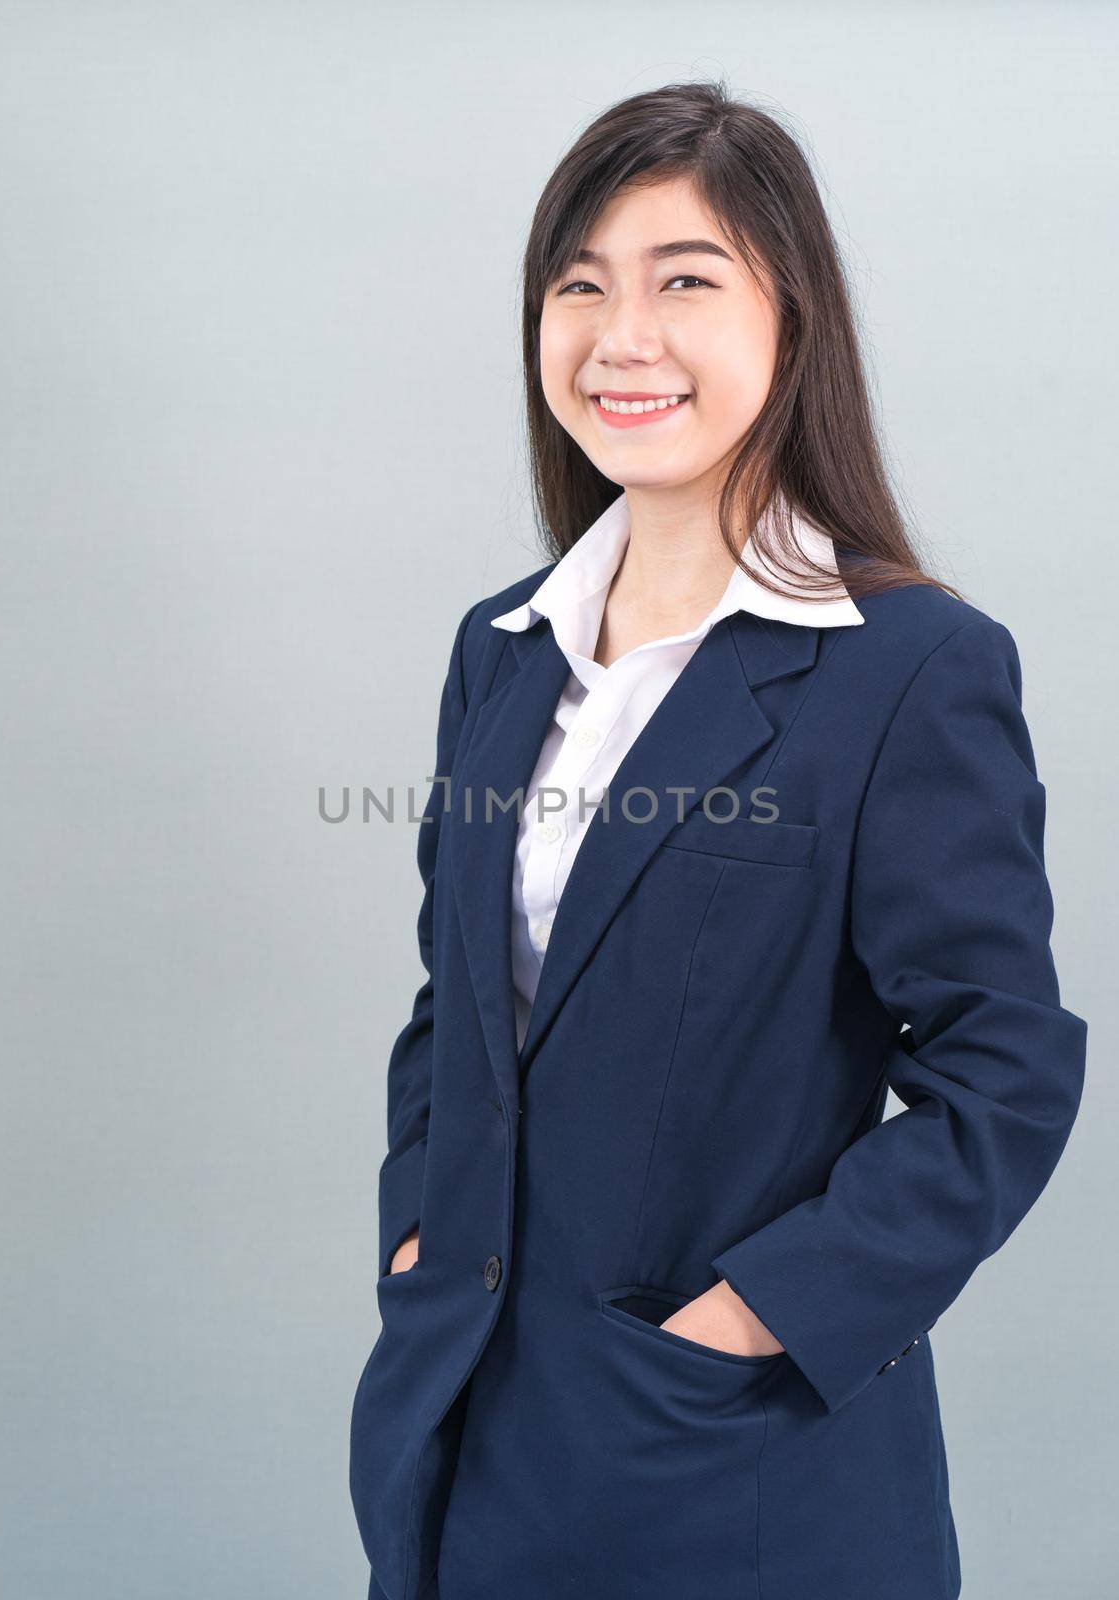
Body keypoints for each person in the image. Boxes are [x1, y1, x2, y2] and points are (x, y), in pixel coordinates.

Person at [349, 81, 1088, 1600]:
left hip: (729, 1466)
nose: (624, 335)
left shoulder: (908, 668)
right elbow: (458, 1006)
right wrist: (419, 1241)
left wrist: (754, 1317)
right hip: (463, 1432)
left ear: (788, 315)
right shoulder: (503, 650)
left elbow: (1002, 1073)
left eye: (685, 279)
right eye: (580, 286)